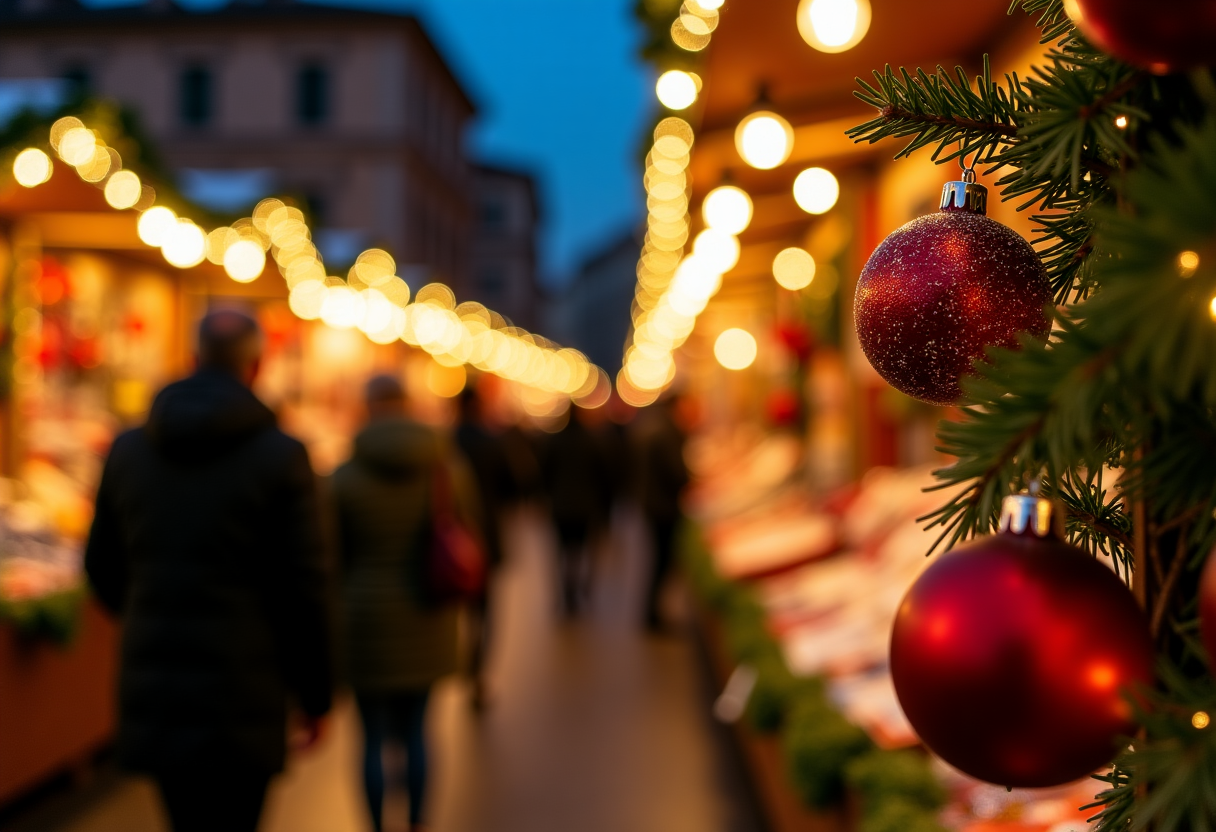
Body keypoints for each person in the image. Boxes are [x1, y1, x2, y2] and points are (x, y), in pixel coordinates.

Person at [84, 309, 334, 832]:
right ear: (256, 366)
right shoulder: (283, 456)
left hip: (157, 689)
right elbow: (305, 585)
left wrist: (149, 613)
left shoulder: (129, 450)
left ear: (193, 359)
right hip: (248, 688)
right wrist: (316, 694)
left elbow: (102, 568)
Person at [331, 374, 474, 832]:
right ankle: (417, 822)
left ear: (368, 408)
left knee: (371, 738)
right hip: (429, 616)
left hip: (364, 622)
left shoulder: (343, 476)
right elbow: (471, 537)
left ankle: (375, 825)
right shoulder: (445, 470)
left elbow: (328, 557)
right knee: (417, 733)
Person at [453, 384, 514, 710]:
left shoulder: (445, 442)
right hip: (484, 536)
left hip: (447, 538)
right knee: (484, 610)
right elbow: (514, 483)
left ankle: (459, 663)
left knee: (451, 606)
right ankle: (477, 673)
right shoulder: (492, 442)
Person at [540, 405, 614, 615]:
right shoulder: (592, 440)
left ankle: (566, 592)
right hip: (586, 506)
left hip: (560, 505)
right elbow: (603, 475)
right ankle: (580, 589)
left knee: (563, 551)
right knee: (581, 551)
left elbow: (544, 472)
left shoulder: (554, 440)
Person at [632, 393, 690, 631]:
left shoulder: (650, 427)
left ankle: (651, 612)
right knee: (661, 560)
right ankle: (652, 614)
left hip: (652, 503)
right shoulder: (666, 432)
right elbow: (676, 472)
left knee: (656, 559)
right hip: (663, 505)